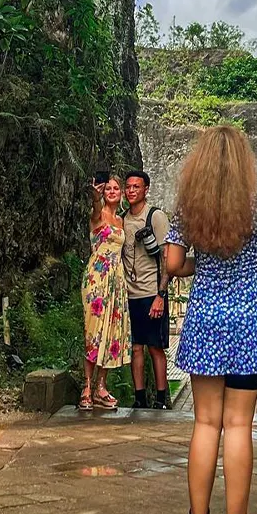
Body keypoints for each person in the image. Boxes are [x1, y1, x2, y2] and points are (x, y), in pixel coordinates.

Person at [165, 125, 257, 514]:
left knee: (205, 424)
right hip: (250, 319)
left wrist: (203, 261)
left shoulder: (187, 211)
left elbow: (174, 264)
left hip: (206, 322)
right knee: (238, 426)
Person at [80, 175, 131, 411]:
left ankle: (102, 385)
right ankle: (87, 387)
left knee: (112, 334)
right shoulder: (98, 215)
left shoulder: (121, 220)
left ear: (120, 193)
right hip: (97, 278)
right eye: (108, 188)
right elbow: (95, 208)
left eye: (115, 188)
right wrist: (95, 196)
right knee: (94, 332)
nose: (111, 191)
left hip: (116, 280)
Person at [122, 170, 172, 409]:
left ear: (146, 189)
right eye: (128, 187)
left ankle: (160, 399)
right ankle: (139, 397)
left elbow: (167, 258)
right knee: (136, 347)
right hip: (130, 293)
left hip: (152, 292)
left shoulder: (156, 217)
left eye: (136, 187)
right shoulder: (122, 219)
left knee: (155, 346)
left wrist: (161, 296)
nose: (131, 191)